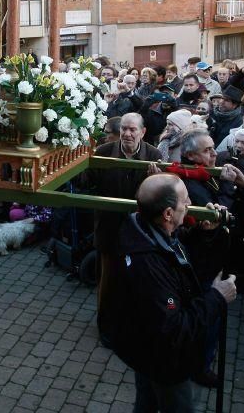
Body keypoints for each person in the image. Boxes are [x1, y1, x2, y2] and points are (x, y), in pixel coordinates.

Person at [105, 173, 237, 412]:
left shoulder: (142, 229)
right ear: (167, 214)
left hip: (146, 351)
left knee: (146, 400)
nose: (190, 205)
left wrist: (204, 233)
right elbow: (175, 328)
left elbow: (178, 262)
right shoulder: (147, 264)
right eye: (185, 201)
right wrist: (218, 297)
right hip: (164, 361)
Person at [89, 112, 162, 333]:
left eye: (132, 130)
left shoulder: (154, 154)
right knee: (108, 282)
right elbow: (89, 183)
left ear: (143, 132)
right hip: (109, 228)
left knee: (134, 281)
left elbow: (158, 195)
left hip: (139, 230)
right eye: (124, 129)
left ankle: (129, 326)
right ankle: (105, 327)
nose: (127, 134)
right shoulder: (103, 152)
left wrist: (154, 179)